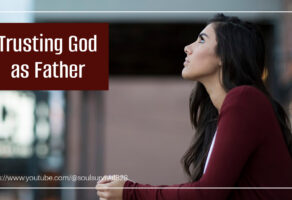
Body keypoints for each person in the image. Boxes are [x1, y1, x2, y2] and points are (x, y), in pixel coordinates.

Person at [96, 13, 292, 200]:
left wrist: (130, 192)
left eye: (202, 40)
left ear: (225, 55)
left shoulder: (245, 100)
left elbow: (206, 194)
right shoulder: (225, 114)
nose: (187, 48)